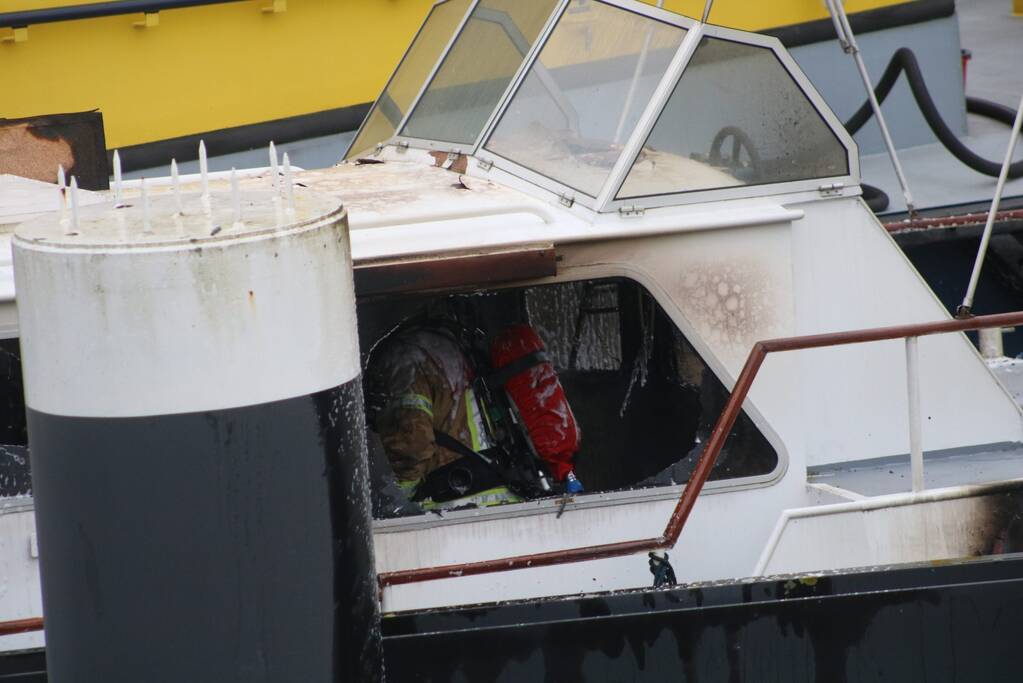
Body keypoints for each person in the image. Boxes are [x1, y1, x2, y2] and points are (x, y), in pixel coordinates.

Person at [364, 321, 522, 509]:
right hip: (508, 499)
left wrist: (404, 497)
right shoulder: (462, 346)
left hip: (455, 508)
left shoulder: (405, 357)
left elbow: (412, 439)